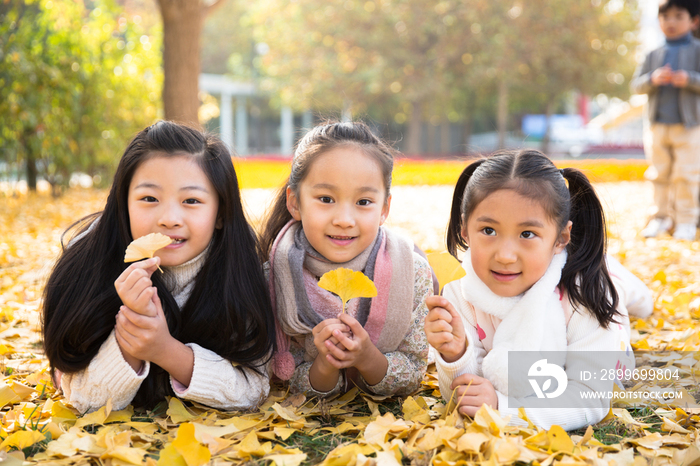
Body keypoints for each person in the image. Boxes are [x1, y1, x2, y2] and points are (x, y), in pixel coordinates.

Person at [42, 121, 276, 413]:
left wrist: (165, 350)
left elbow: (253, 389)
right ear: (123, 203)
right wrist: (131, 339)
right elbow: (84, 399)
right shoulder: (89, 264)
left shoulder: (238, 271)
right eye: (149, 198)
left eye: (191, 200)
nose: (169, 218)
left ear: (220, 213)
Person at [424, 150, 653, 431]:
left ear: (561, 238)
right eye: (488, 230)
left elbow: (590, 396)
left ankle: (630, 283)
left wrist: (503, 408)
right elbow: (465, 395)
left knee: (629, 292)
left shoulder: (588, 294)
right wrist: (455, 354)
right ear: (464, 230)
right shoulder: (460, 295)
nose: (505, 255)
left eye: (527, 234)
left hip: (587, 280)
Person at [261, 121, 432, 397]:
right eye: (326, 199)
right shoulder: (274, 278)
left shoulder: (412, 273)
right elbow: (285, 378)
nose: (344, 220)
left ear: (384, 208)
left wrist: (367, 358)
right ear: (294, 202)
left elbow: (413, 373)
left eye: (363, 202)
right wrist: (325, 365)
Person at [631, 0, 700, 241]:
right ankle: (659, 219)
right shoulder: (653, 53)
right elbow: (636, 85)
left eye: (678, 16)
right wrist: (653, 79)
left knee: (686, 175)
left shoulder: (697, 50)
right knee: (658, 174)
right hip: (656, 125)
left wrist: (689, 79)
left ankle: (686, 222)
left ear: (694, 21)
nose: (671, 22)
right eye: (666, 16)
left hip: (689, 126)